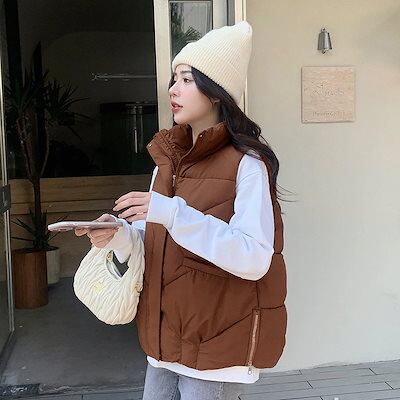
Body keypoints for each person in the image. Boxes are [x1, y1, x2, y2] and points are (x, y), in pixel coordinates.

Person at [75, 20, 287, 400]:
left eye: (187, 79)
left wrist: (173, 214)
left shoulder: (248, 164)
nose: (173, 89)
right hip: (164, 340)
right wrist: (120, 237)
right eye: (175, 79)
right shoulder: (167, 163)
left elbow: (255, 257)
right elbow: (156, 241)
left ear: (216, 93)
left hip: (215, 347)